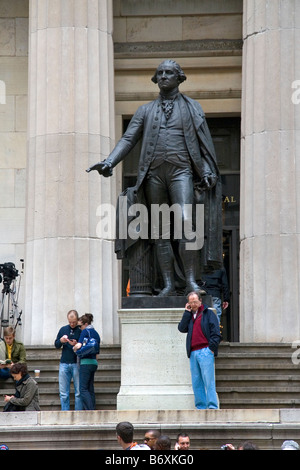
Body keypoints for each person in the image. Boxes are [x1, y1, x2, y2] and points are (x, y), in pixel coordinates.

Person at [87, 59, 222, 297]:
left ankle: (191, 281)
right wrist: (110, 161)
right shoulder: (145, 110)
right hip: (153, 175)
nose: (163, 76)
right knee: (160, 230)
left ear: (179, 77)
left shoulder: (193, 107)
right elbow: (128, 139)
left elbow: (204, 144)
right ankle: (168, 284)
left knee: (186, 222)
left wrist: (208, 170)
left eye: (169, 72)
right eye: (159, 73)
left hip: (182, 172)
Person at [178, 291, 221, 409]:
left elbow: (216, 333)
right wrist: (186, 312)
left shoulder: (208, 313)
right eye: (191, 302)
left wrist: (211, 348)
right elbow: (182, 328)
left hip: (205, 350)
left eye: (195, 301)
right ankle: (200, 407)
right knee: (197, 382)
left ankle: (212, 406)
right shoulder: (190, 315)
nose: (193, 304)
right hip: (193, 352)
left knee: (209, 381)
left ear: (200, 301)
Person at [54, 309, 82, 410]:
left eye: (74, 322)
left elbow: (83, 344)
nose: (72, 324)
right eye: (70, 322)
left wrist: (77, 344)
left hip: (76, 362)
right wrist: (61, 341)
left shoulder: (80, 330)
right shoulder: (63, 329)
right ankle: (65, 412)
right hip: (64, 362)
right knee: (63, 392)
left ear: (77, 320)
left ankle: (78, 412)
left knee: (78, 392)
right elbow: (56, 345)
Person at [73, 313, 100, 410]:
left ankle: (90, 411)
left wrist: (74, 347)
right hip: (94, 363)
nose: (79, 328)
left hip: (85, 363)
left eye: (80, 326)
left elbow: (79, 346)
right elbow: (97, 353)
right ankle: (92, 407)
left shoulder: (85, 332)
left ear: (85, 324)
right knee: (90, 388)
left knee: (83, 389)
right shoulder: (96, 333)